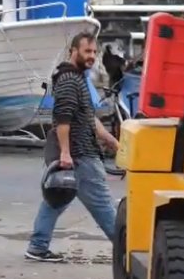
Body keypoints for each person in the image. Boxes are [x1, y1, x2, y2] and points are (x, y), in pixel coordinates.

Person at [25, 31, 120, 263]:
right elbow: (63, 119)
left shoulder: (77, 78)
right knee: (103, 205)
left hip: (79, 152)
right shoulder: (69, 80)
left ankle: (37, 246)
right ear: (73, 51)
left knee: (56, 199)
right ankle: (127, 248)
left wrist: (112, 141)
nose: (92, 56)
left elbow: (88, 117)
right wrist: (66, 154)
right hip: (80, 155)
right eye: (87, 51)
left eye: (94, 52)